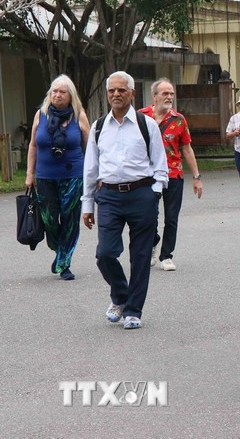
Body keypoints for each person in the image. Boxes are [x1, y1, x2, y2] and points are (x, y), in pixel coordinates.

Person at [82, 71, 169, 330]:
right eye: (112, 91)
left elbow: (160, 165)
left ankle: (133, 311)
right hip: (108, 196)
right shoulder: (99, 127)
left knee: (140, 256)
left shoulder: (146, 125)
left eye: (122, 90)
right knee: (105, 254)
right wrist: (88, 203)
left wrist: (154, 193)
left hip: (142, 194)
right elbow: (90, 169)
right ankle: (120, 295)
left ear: (132, 93)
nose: (116, 94)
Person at [25, 75, 91, 280]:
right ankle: (59, 249)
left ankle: (64, 263)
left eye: (62, 91)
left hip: (73, 175)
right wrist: (29, 174)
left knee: (70, 218)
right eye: (54, 91)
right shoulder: (40, 115)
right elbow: (33, 145)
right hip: (45, 176)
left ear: (70, 94)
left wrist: (92, 175)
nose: (57, 95)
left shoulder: (79, 115)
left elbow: (89, 148)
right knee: (49, 219)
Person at [139, 79, 203, 272]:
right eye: (165, 93)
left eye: (171, 94)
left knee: (171, 218)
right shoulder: (141, 116)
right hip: (146, 175)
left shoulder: (179, 120)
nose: (169, 97)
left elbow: (187, 148)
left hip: (173, 173)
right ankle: (153, 242)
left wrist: (197, 177)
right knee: (146, 216)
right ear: (155, 96)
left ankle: (166, 256)